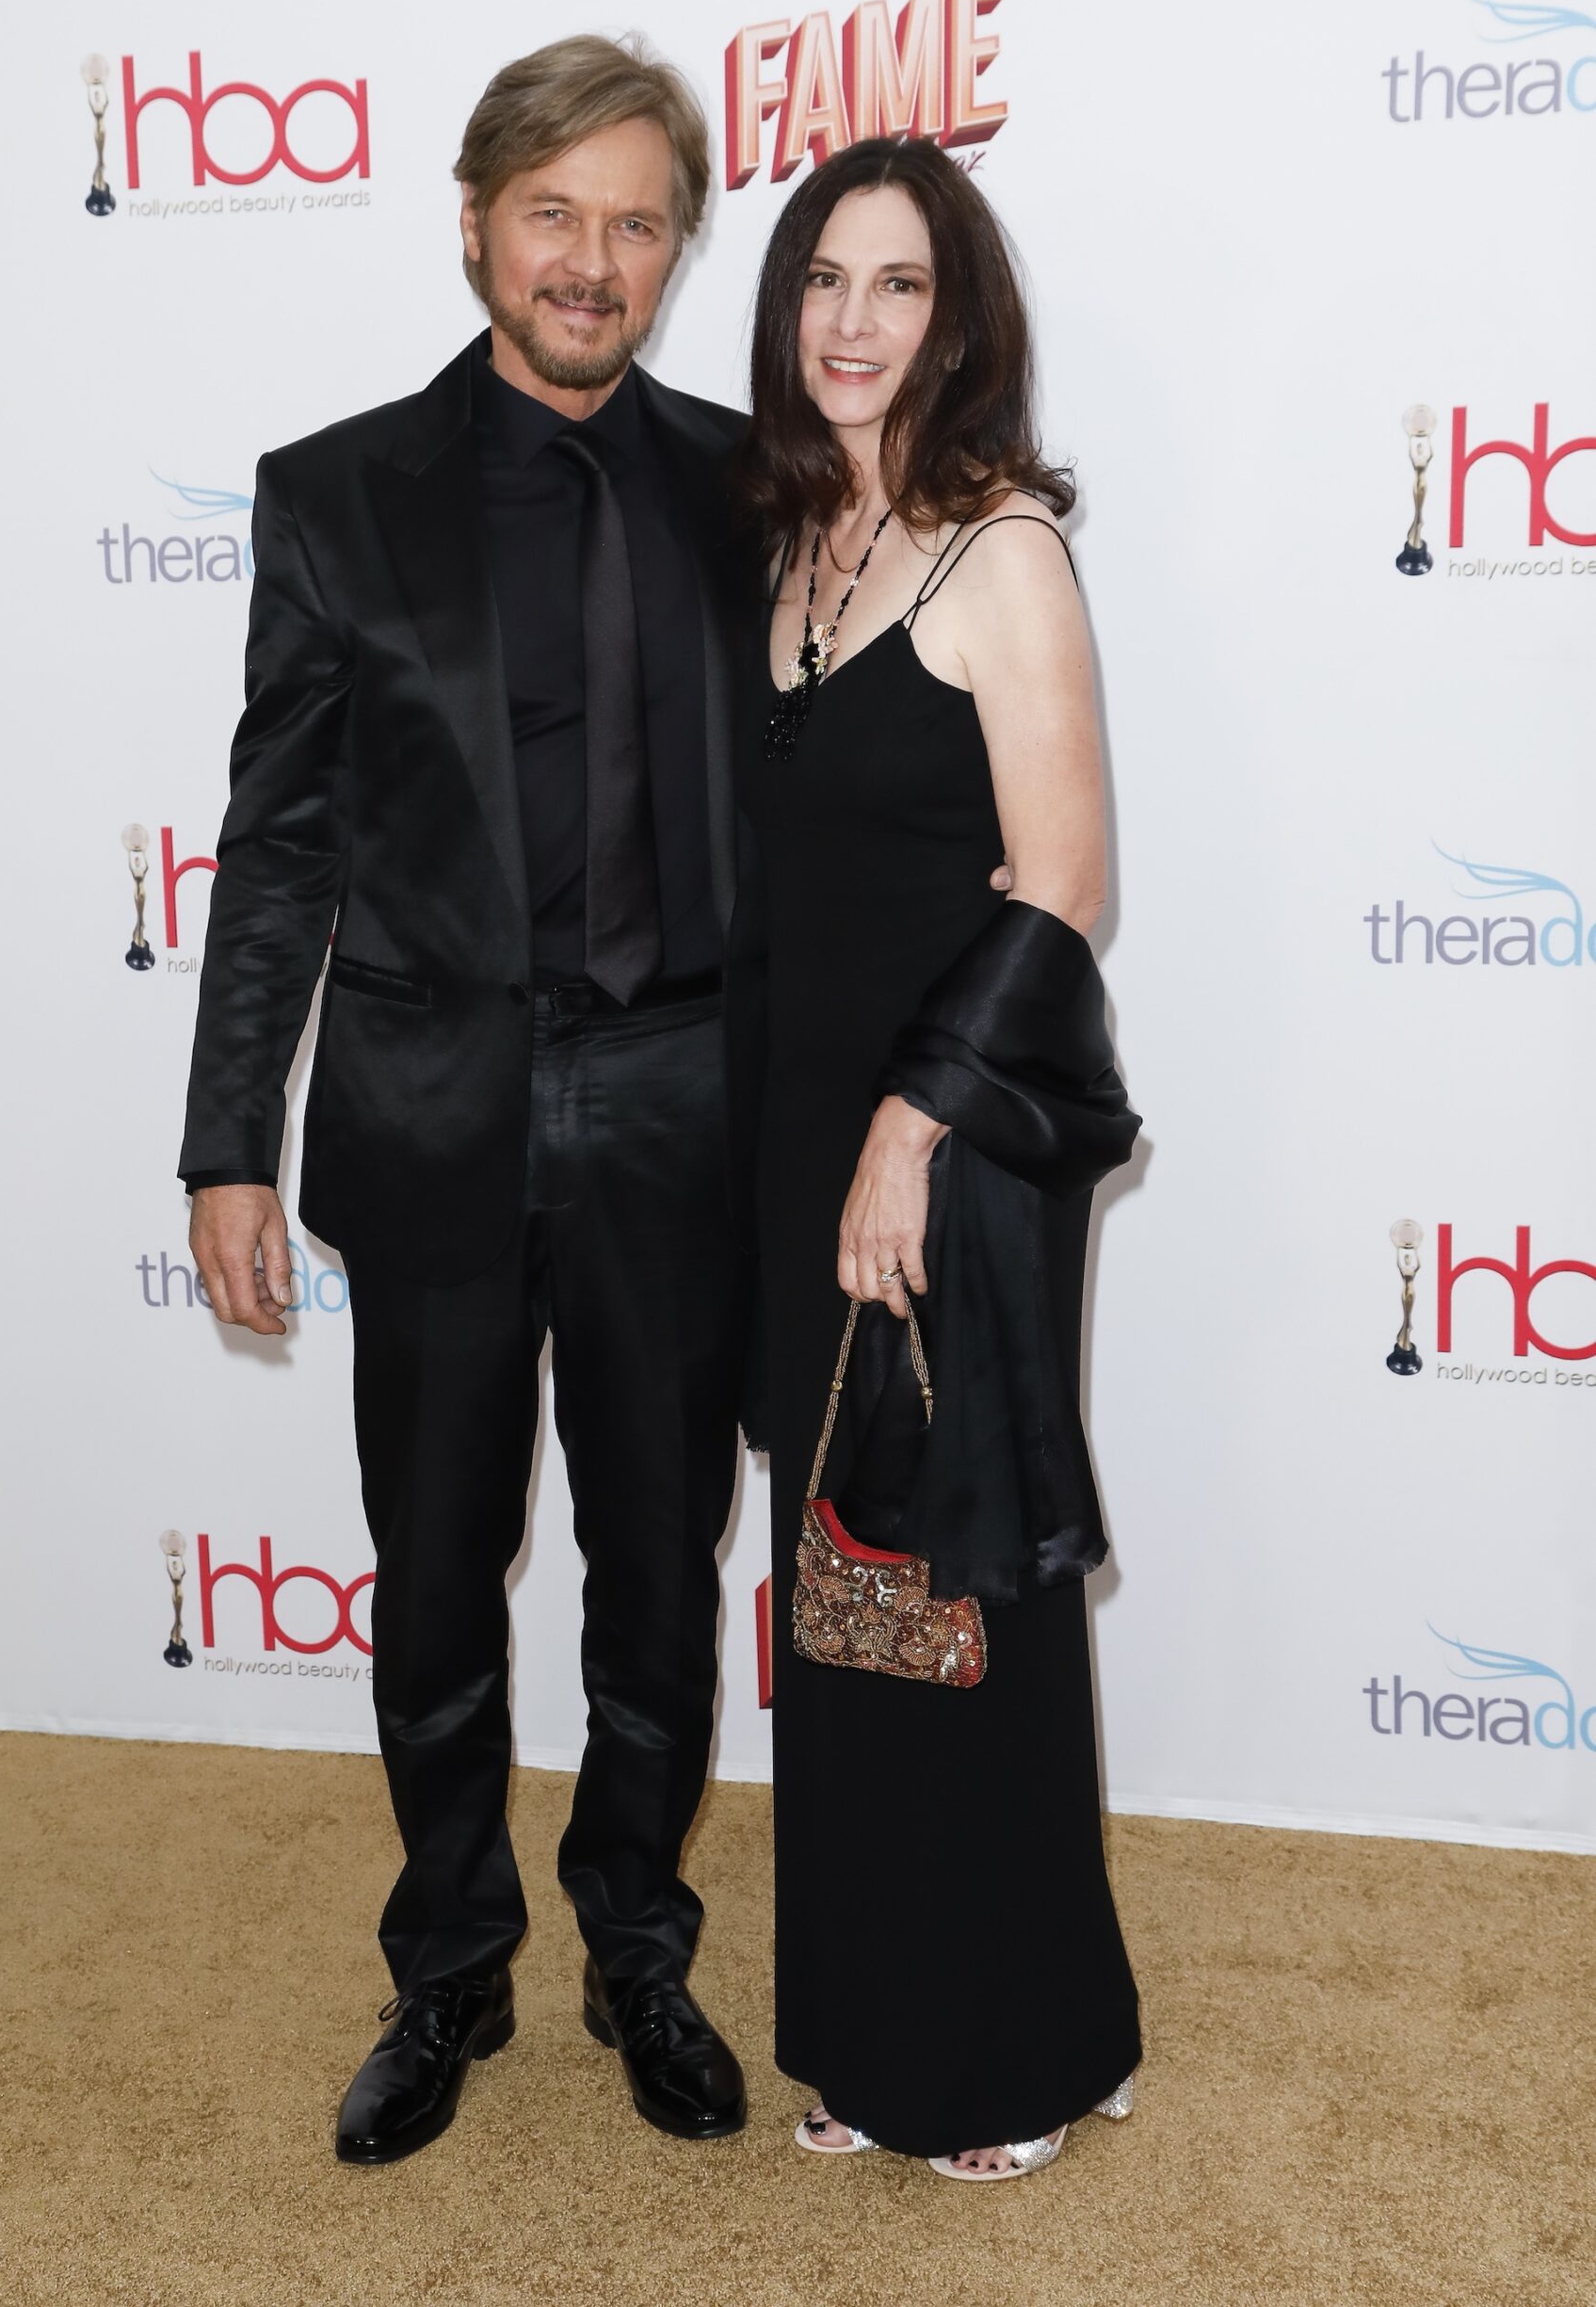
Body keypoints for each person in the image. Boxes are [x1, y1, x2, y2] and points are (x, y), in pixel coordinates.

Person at [179, 35, 760, 2165]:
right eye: (554, 214)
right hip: (432, 1107)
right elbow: (279, 845)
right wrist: (231, 1130)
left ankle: (636, 1939)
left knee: (655, 1565)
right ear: (472, 219)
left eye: (633, 224)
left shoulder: (751, 478)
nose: (590, 262)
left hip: (683, 1106)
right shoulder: (334, 493)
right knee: (430, 1571)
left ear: (673, 251)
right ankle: (447, 1966)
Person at [734, 137, 1142, 2181]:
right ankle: (875, 2029)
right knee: (836, 1583)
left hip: (954, 1135)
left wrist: (905, 1127)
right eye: (820, 277)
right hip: (795, 1139)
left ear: (956, 314)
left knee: (956, 1556)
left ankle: (1022, 2044)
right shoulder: (787, 545)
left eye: (895, 284)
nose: (849, 321)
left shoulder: (1002, 556)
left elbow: (1059, 881)